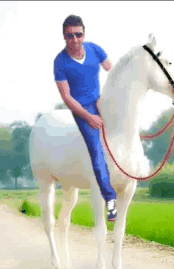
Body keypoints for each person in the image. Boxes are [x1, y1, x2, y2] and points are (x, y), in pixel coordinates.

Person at [54, 15, 117, 221]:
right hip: (82, 108)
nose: (74, 39)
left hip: (101, 100)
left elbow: (113, 73)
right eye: (69, 35)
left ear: (84, 34)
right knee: (97, 152)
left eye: (78, 34)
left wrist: (107, 99)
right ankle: (109, 198)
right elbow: (66, 97)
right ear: (64, 37)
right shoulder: (60, 61)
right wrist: (89, 117)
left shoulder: (95, 49)